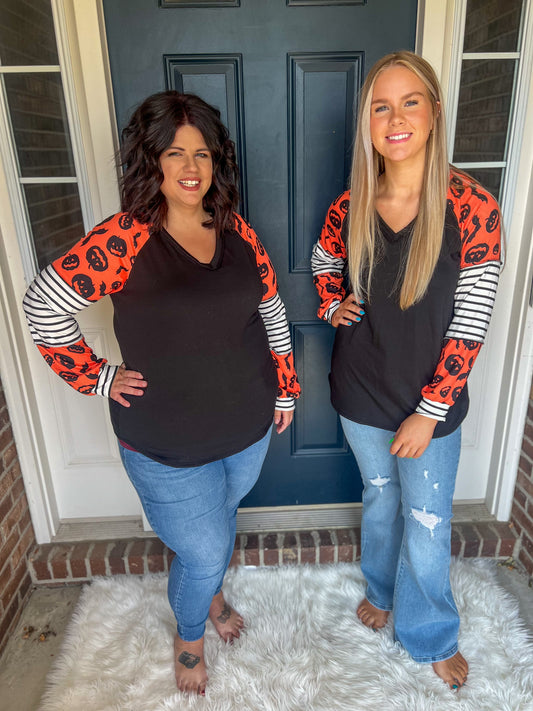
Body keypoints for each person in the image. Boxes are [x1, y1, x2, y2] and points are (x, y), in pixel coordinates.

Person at [23, 91, 300, 696]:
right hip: (165, 445)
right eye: (174, 152)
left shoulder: (235, 230)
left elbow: (272, 308)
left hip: (248, 426)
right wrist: (96, 377)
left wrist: (285, 388)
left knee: (219, 526)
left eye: (201, 153)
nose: (191, 167)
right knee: (203, 550)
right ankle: (191, 636)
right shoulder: (123, 239)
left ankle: (213, 591)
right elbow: (43, 305)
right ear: (150, 161)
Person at [312, 51, 501, 690]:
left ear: (434, 110)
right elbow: (320, 259)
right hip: (359, 390)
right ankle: (381, 592)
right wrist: (330, 302)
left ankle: (431, 635)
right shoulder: (353, 203)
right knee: (382, 499)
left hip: (429, 402)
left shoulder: (472, 206)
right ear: (368, 120)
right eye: (381, 106)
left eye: (410, 101)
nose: (395, 118)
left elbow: (471, 320)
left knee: (426, 521)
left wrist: (430, 410)